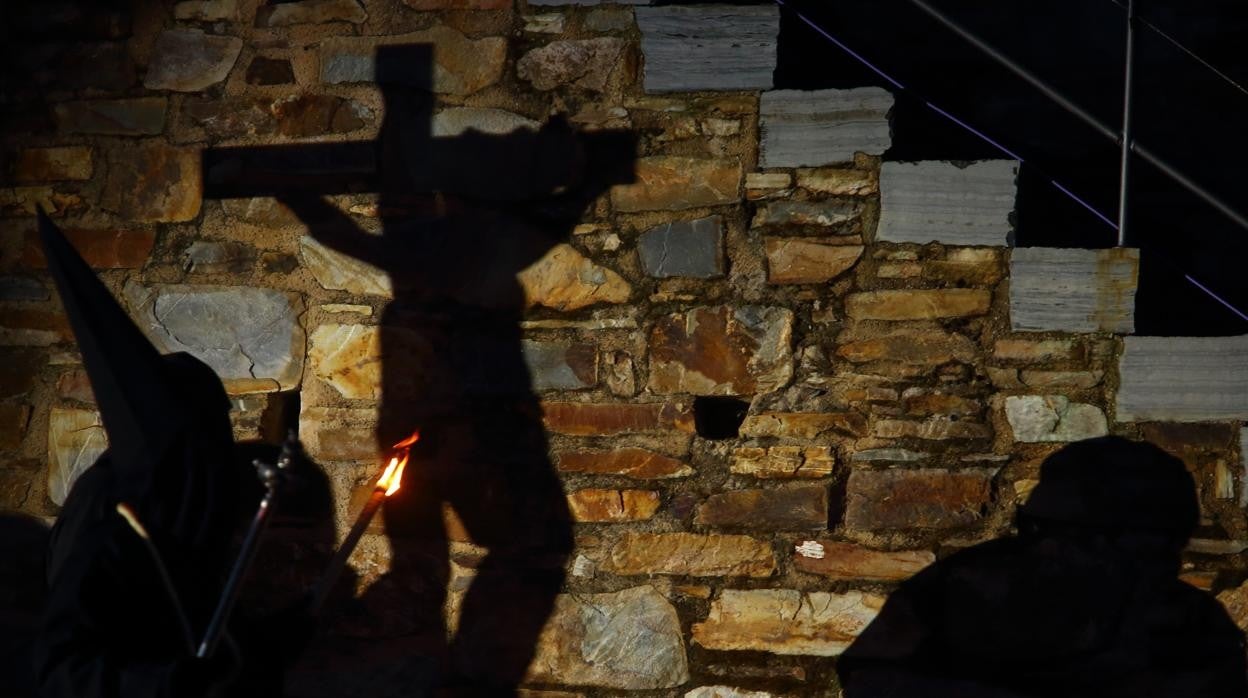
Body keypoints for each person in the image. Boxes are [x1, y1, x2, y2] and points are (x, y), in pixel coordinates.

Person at [31, 211, 300, 697]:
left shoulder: (170, 517)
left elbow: (198, 628)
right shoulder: (107, 528)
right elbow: (58, 674)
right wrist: (164, 685)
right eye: (209, 434)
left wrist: (268, 643)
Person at [838, 435, 1248, 697]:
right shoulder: (967, 585)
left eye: (1069, 532)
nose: (1047, 547)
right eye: (1036, 528)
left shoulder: (1186, 623)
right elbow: (870, 677)